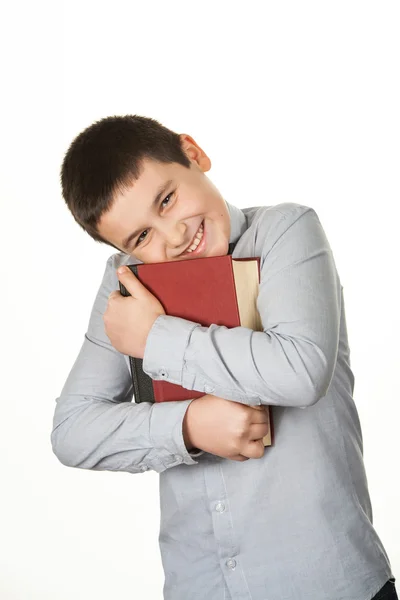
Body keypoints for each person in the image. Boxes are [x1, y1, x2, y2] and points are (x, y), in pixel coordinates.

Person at [51, 114, 397, 600]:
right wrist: (189, 427)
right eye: (140, 238)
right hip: (201, 584)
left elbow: (300, 369)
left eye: (167, 199)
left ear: (193, 154)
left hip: (328, 581)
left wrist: (156, 337)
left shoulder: (285, 230)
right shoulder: (126, 283)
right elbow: (72, 431)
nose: (173, 236)